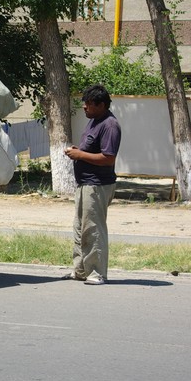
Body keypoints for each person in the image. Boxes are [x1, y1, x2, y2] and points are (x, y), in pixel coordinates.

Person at [63, 84, 122, 285]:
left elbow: (108, 158)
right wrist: (78, 151)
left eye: (89, 104)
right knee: (80, 228)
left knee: (93, 229)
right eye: (84, 104)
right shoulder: (94, 121)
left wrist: (80, 155)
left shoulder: (110, 125)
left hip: (97, 185)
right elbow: (92, 149)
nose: (85, 107)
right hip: (84, 184)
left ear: (101, 105)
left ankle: (97, 273)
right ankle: (80, 271)